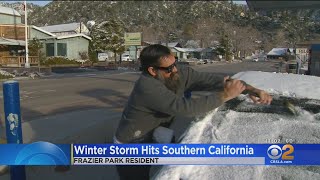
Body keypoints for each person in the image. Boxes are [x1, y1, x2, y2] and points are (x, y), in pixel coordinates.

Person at [114, 44, 272, 180]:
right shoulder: (147, 87)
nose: (175, 70)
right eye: (169, 68)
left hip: (155, 134)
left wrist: (251, 89)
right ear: (152, 70)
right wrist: (225, 95)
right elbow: (186, 108)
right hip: (131, 144)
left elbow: (216, 81)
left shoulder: (179, 74)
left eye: (175, 63)